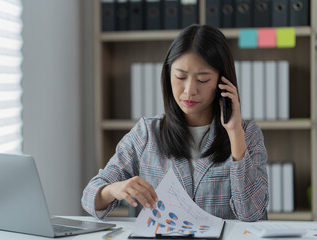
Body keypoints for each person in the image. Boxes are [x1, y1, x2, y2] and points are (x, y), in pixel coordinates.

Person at [81, 24, 268, 222]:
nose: (189, 90)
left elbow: (252, 213)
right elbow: (89, 198)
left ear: (222, 82)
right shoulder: (147, 133)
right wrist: (114, 189)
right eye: (180, 77)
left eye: (203, 80)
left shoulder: (247, 133)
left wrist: (235, 134)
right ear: (168, 75)